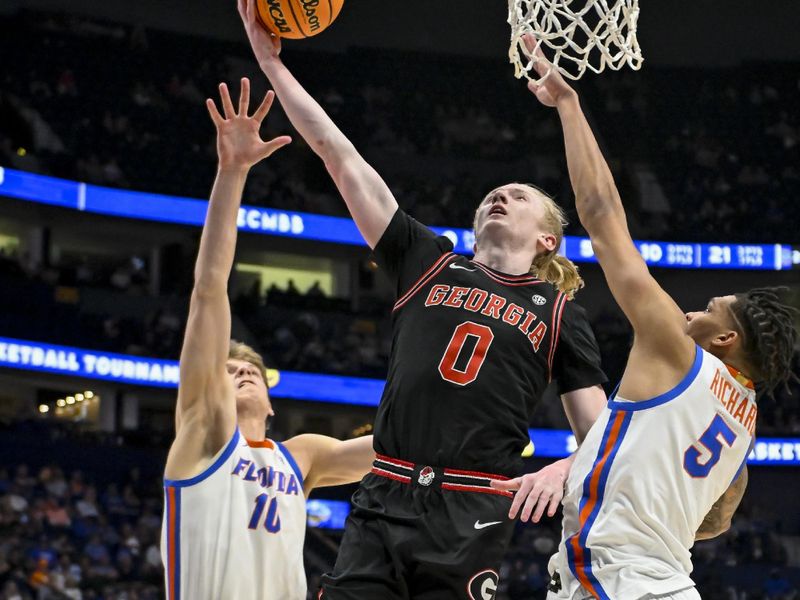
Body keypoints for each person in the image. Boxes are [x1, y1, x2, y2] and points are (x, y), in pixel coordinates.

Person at [237, 3, 609, 598]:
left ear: (548, 238)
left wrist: (565, 469)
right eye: (493, 193)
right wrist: (270, 63)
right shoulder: (428, 261)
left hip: (471, 508)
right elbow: (339, 155)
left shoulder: (560, 310)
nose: (500, 197)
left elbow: (600, 433)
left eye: (517, 195)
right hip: (384, 493)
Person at [509, 36, 798, 599]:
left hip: (617, 583)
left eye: (709, 310)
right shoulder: (746, 421)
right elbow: (715, 522)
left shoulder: (678, 350)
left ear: (725, 337)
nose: (692, 310)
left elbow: (601, 217)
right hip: (660, 582)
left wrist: (569, 106)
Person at [161, 79, 375, 600]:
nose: (241, 371)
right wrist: (231, 174)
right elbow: (210, 290)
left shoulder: (301, 457)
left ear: (273, 403)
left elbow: (403, 444)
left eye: (250, 369)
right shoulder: (204, 432)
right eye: (229, 369)